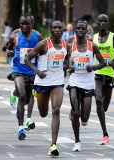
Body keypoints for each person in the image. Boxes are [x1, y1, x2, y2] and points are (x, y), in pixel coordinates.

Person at [25, 20, 69, 156]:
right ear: (50, 30)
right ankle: (34, 92)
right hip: (42, 83)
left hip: (57, 82)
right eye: (54, 28)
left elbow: (67, 61)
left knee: (56, 110)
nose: (57, 30)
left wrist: (68, 66)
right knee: (43, 113)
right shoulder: (43, 44)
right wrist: (38, 72)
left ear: (62, 30)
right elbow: (27, 59)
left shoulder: (66, 45)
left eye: (59, 28)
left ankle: (53, 145)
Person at [67, 19, 106, 152]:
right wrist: (69, 67)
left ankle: (80, 117)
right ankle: (77, 141)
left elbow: (103, 63)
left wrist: (93, 67)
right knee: (76, 112)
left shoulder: (92, 46)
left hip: (88, 83)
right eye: (78, 28)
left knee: (84, 117)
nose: (80, 31)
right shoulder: (70, 45)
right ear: (75, 30)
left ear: (86, 31)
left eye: (83, 29)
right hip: (74, 82)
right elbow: (65, 62)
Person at [6, 13, 43, 141]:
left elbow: (43, 51)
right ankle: (21, 127)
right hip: (18, 70)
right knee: (22, 95)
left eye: (27, 24)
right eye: (22, 24)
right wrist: (9, 52)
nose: (24, 26)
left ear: (32, 24)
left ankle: (14, 93)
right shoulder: (15, 37)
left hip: (32, 71)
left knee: (28, 97)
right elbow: (7, 48)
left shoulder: (37, 36)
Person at [93, 14, 114, 145]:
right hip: (97, 73)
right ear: (97, 23)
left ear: (108, 23)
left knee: (103, 108)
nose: (103, 23)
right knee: (98, 99)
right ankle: (105, 134)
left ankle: (102, 121)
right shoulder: (93, 38)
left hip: (110, 74)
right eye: (101, 21)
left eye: (105, 21)